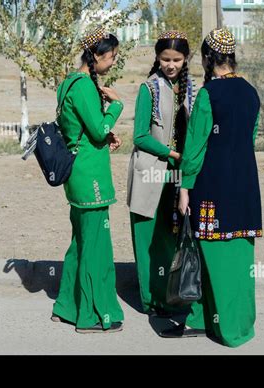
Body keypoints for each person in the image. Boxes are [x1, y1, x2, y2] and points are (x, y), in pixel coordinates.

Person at [160, 29, 263, 347]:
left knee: (214, 260)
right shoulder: (251, 92)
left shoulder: (208, 95)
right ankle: (211, 320)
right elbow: (251, 137)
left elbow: (194, 148)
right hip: (245, 186)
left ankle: (229, 330)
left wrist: (185, 187)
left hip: (213, 188)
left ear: (207, 58)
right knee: (237, 261)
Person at [51, 26, 125, 334]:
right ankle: (94, 316)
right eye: (111, 57)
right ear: (95, 56)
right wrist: (116, 107)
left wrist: (105, 133)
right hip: (90, 175)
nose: (113, 62)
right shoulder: (83, 86)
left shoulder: (68, 82)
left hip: (77, 172)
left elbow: (79, 129)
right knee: (96, 246)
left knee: (80, 243)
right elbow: (95, 130)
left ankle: (66, 306)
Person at [126, 30, 197, 316]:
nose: (170, 64)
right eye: (165, 59)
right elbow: (140, 136)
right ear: (157, 57)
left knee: (171, 236)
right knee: (147, 240)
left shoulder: (190, 88)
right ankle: (150, 302)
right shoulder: (149, 88)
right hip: (150, 173)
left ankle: (171, 295)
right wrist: (170, 153)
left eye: (176, 59)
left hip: (177, 176)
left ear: (185, 59)